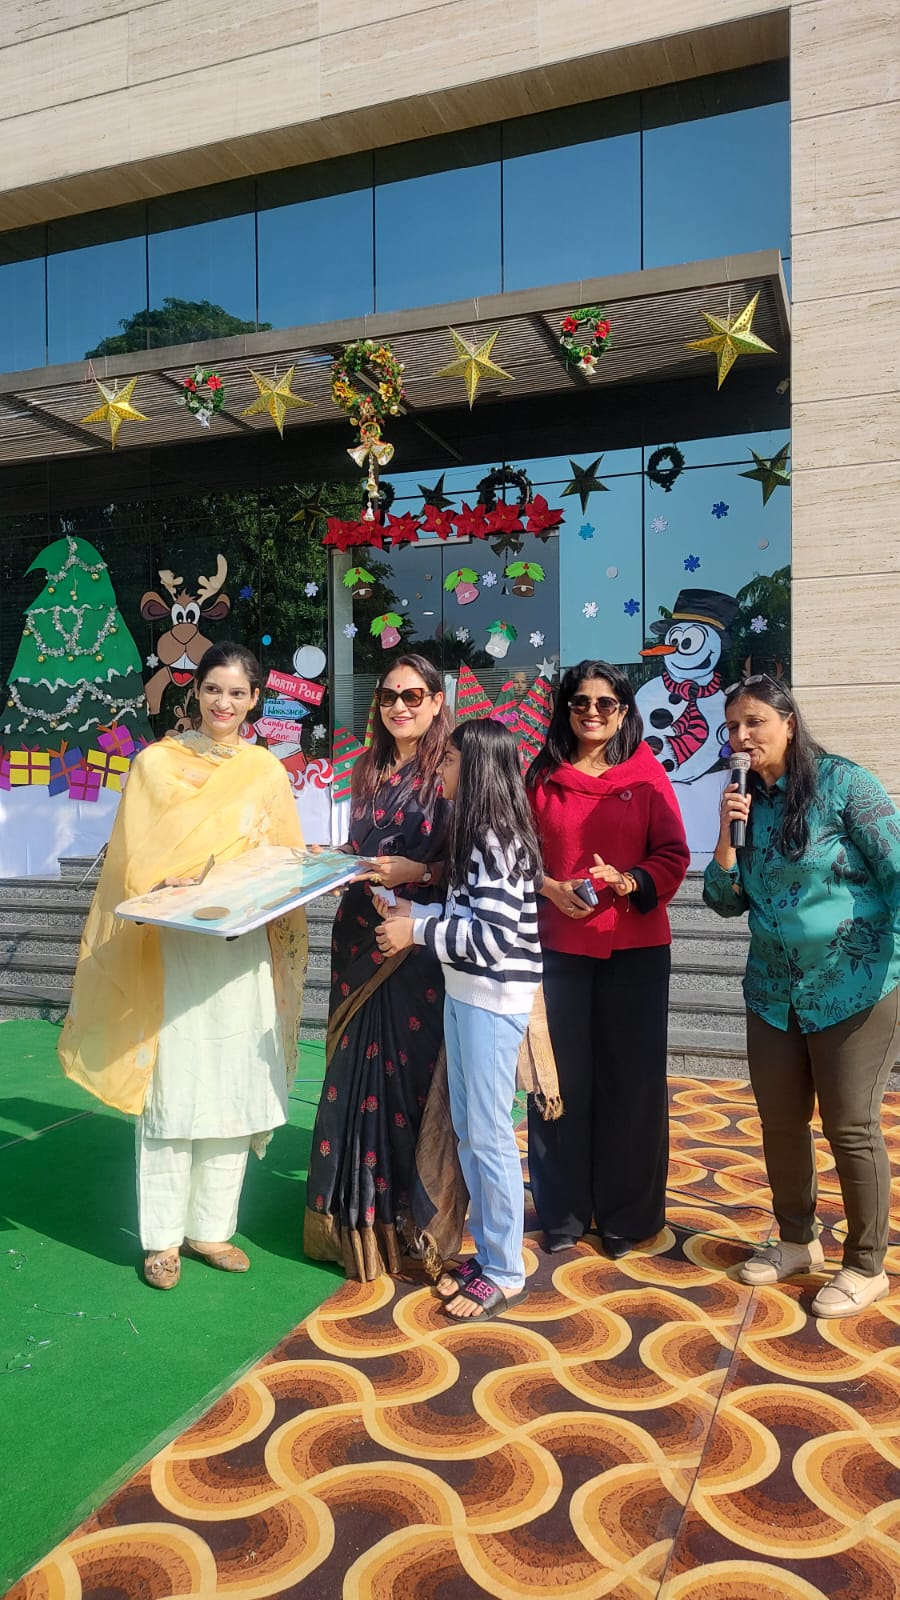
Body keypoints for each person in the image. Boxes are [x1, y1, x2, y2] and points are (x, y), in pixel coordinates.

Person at [59, 642, 308, 1290]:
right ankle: (162, 1240)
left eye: (237, 692)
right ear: (194, 691)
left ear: (255, 700)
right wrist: (170, 883)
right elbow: (130, 865)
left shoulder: (264, 771)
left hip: (240, 949)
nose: (224, 703)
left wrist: (271, 879)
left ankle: (211, 1229)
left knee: (234, 1085)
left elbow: (284, 859)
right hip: (173, 948)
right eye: (213, 689)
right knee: (173, 1089)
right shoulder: (156, 765)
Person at [704, 674, 900, 1317]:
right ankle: (796, 1241)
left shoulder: (844, 785)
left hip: (854, 984)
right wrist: (725, 838)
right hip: (773, 990)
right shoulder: (744, 800)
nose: (741, 736)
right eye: (732, 726)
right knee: (781, 1120)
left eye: (755, 722)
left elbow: (897, 869)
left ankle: (865, 1265)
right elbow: (723, 901)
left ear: (789, 723)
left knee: (850, 1125)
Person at [374, 718, 543, 1321]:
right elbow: (467, 917)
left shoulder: (496, 840)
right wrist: (411, 910)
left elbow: (493, 940)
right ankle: (492, 1254)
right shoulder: (478, 835)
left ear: (476, 769)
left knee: (490, 1135)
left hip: (491, 1001)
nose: (438, 770)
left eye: (447, 761)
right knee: (473, 1131)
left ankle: (506, 1270)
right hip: (468, 995)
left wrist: (415, 932)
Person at [303, 654, 465, 1281]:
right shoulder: (368, 768)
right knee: (350, 1074)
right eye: (390, 696)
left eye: (413, 695)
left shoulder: (451, 768)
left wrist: (418, 871)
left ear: (436, 702)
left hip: (415, 945)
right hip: (358, 940)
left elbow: (470, 863)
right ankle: (346, 1220)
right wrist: (330, 858)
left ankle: (405, 1221)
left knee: (407, 1080)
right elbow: (363, 849)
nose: (399, 706)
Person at [525, 659, 690, 1258]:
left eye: (605, 703)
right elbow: (516, 853)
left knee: (632, 1083)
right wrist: (547, 886)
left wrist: (630, 880)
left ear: (623, 711)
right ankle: (563, 1212)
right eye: (580, 702)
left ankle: (628, 1216)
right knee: (557, 1080)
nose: (591, 713)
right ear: (565, 709)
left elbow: (672, 854)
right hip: (558, 946)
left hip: (635, 949)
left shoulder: (646, 774)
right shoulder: (540, 776)